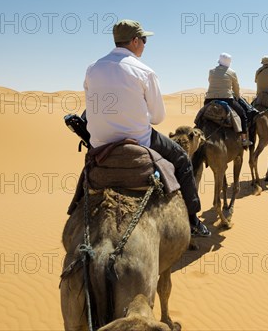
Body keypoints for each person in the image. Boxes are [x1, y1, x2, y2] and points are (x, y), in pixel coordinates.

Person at [84, 19, 211, 237]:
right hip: (139, 139)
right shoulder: (145, 71)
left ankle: (77, 203)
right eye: (143, 40)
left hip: (100, 142)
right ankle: (192, 219)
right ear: (134, 41)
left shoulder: (92, 68)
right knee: (182, 159)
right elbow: (158, 117)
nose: (144, 44)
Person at [204, 53, 251, 147]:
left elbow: (210, 82)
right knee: (243, 115)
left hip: (209, 99)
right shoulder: (232, 72)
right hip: (227, 99)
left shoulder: (211, 71)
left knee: (201, 116)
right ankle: (244, 139)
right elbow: (236, 87)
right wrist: (237, 96)